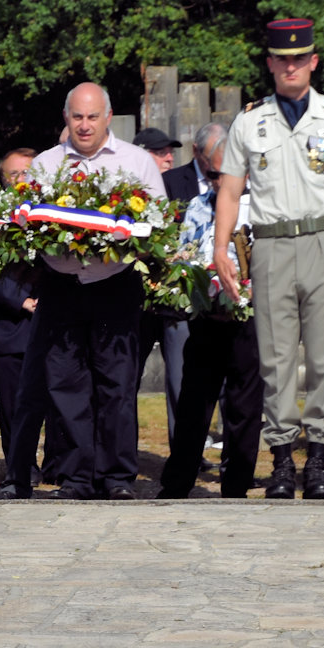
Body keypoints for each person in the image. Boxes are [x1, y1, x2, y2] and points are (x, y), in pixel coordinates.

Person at [211, 19, 324, 500]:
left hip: (323, 241)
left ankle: (318, 459)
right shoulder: (250, 119)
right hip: (272, 245)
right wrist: (221, 249)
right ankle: (282, 459)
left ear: (314, 61)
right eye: (283, 58)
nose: (291, 66)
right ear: (271, 64)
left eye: (300, 58)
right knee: (276, 361)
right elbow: (231, 191)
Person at [21, 83, 167, 500]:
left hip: (115, 284)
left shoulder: (137, 162)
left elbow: (154, 226)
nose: (84, 126)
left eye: (92, 117)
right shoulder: (46, 165)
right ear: (66, 118)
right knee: (67, 386)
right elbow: (27, 225)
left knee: (117, 385)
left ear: (108, 117)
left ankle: (117, 477)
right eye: (76, 117)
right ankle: (76, 477)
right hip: (61, 286)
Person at [159, 124, 264, 499]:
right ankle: (177, 482)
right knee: (193, 403)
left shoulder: (264, 207)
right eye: (215, 173)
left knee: (244, 405)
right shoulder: (198, 206)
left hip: (249, 319)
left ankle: (236, 484)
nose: (221, 180)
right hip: (206, 316)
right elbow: (184, 254)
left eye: (230, 172)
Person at [0, 148, 41, 496]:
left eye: (27, 173)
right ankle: (20, 469)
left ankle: (63, 464)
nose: (21, 181)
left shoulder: (57, 208)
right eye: (13, 175)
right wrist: (22, 300)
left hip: (54, 324)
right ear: (3, 180)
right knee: (14, 408)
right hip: (12, 326)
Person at [131, 127, 190, 442]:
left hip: (173, 298)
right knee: (126, 379)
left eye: (171, 151)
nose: (169, 157)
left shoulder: (179, 186)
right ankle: (121, 448)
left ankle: (184, 447)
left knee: (182, 377)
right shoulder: (123, 192)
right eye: (160, 151)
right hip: (133, 299)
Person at [134, 126, 200, 202]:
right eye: (161, 153)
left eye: (171, 152)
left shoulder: (180, 189)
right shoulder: (126, 193)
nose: (170, 159)